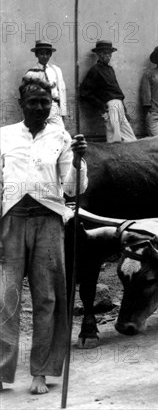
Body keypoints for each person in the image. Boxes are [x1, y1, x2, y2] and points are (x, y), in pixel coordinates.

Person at [0, 78, 88, 395]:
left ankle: (42, 371)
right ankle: (1, 371)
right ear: (21, 104)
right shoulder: (4, 136)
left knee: (47, 298)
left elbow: (73, 188)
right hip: (11, 223)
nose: (40, 107)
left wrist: (78, 161)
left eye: (46, 102)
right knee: (4, 299)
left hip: (48, 222)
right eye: (34, 101)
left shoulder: (61, 137)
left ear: (52, 105)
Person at [80, 40, 136, 143]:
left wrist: (124, 110)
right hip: (110, 106)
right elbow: (84, 92)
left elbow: (117, 91)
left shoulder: (110, 69)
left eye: (109, 53)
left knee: (130, 137)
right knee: (115, 138)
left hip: (119, 105)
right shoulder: (95, 70)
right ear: (98, 54)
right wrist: (101, 105)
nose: (107, 56)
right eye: (104, 53)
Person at [23, 40, 67, 127]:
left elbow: (61, 91)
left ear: (50, 55)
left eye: (47, 54)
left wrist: (63, 111)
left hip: (54, 107)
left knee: (60, 133)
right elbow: (26, 96)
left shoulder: (56, 70)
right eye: (42, 54)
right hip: (39, 108)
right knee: (40, 134)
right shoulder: (31, 73)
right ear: (37, 55)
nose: (45, 56)